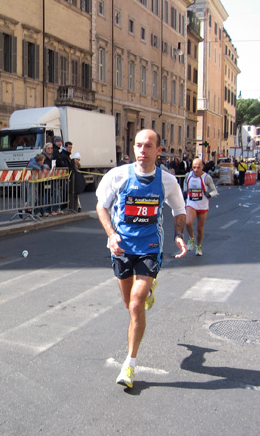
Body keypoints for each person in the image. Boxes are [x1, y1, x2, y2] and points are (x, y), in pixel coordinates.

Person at [96, 129, 187, 389]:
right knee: (128, 303)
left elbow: (179, 209)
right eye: (138, 145)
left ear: (159, 150)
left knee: (136, 305)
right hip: (121, 247)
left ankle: (130, 364)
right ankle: (144, 290)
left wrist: (178, 235)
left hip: (149, 247)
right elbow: (101, 206)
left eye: (148, 146)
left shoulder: (167, 181)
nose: (142, 151)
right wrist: (111, 235)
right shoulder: (118, 175)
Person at [183, 158, 218, 257]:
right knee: (188, 222)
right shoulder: (188, 175)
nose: (196, 170)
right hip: (191, 203)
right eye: (194, 167)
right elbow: (185, 184)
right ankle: (191, 238)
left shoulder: (207, 177)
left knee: (199, 228)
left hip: (202, 204)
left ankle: (198, 246)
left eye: (198, 167)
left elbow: (214, 190)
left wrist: (209, 194)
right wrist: (185, 191)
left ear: (202, 167)